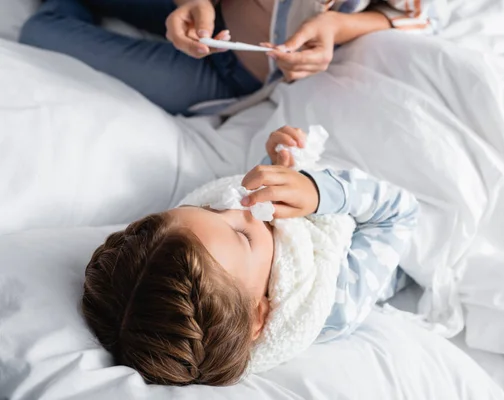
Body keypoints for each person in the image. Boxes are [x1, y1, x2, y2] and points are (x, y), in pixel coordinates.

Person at [81, 125, 419, 386]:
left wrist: (277, 169)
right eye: (242, 236)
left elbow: (244, 206)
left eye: (209, 208)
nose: (235, 204)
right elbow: (399, 214)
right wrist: (319, 191)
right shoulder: (332, 302)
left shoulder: (232, 264)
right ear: (260, 315)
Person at [19, 0, 446, 115]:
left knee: (40, 30)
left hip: (229, 76)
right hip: (203, 11)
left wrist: (336, 27)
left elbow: (417, 18)